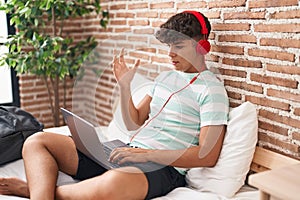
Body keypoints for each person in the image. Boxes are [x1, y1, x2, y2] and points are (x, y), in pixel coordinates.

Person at [0, 11, 229, 200]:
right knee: (37, 141)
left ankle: (32, 191)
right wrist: (125, 87)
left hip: (162, 168)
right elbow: (135, 121)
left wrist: (145, 155)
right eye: (169, 46)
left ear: (201, 46)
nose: (170, 54)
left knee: (113, 183)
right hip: (125, 150)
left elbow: (206, 156)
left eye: (178, 46)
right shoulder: (165, 78)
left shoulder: (212, 90)